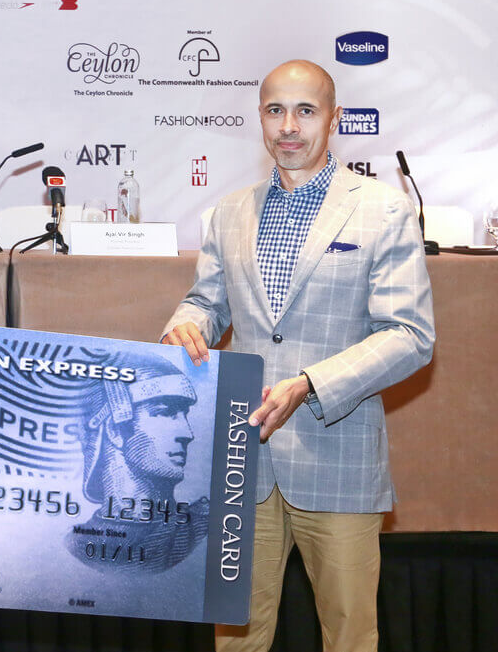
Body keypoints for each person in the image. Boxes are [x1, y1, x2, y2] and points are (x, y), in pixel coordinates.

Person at [161, 59, 434, 651]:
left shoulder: (384, 209)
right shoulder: (229, 212)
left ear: (334, 119)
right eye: (275, 110)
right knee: (236, 638)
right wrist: (186, 327)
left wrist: (310, 383)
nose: (289, 126)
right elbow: (205, 302)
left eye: (306, 111)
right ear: (260, 117)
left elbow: (409, 335)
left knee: (349, 637)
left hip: (337, 457)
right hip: (243, 462)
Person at [67, 351, 208, 574]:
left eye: (184, 415)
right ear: (115, 430)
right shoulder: (74, 545)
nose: (187, 434)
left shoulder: (206, 528)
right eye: (165, 412)